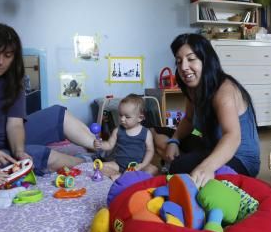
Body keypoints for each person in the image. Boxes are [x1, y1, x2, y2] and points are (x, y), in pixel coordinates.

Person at [0, 24, 96, 174]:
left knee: (59, 114)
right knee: (45, 156)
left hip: (8, 136)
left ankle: (103, 150)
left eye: (7, 56)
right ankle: (91, 165)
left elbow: (15, 124)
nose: (0, 62)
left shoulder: (13, 79)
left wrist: (19, 151)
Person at [154, 33, 260, 187]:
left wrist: (207, 167)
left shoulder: (224, 90)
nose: (183, 67)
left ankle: (182, 163)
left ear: (206, 60)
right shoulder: (193, 88)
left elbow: (232, 136)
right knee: (155, 132)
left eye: (191, 59)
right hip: (211, 146)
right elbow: (189, 119)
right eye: (179, 61)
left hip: (239, 159)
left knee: (179, 166)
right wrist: (174, 141)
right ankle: (181, 159)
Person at [93, 94, 157, 179]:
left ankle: (123, 178)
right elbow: (109, 145)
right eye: (120, 115)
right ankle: (124, 177)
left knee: (153, 169)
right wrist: (101, 144)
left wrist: (143, 165)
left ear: (140, 118)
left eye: (127, 117)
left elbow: (150, 150)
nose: (122, 119)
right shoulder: (117, 130)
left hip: (138, 166)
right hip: (118, 165)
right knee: (98, 166)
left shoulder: (146, 132)